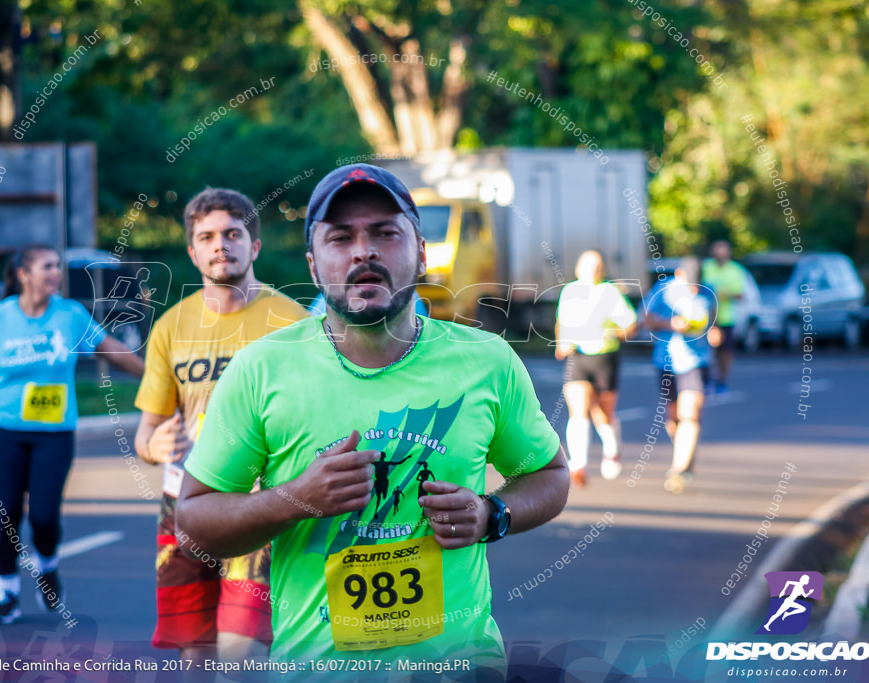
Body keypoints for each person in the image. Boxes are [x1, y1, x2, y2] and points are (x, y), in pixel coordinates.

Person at [176, 164, 569, 678]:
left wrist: (492, 514)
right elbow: (194, 522)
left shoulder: (486, 360)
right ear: (315, 266)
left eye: (386, 232)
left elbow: (550, 475)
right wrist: (295, 499)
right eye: (341, 238)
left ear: (422, 253)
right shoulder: (260, 369)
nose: (364, 251)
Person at [0, 245, 144, 623]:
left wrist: (154, 379)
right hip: (6, 432)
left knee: (45, 518)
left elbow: (111, 349)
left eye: (57, 266)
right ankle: (7, 592)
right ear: (24, 274)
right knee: (7, 515)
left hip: (54, 433)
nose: (56, 272)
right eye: (47, 266)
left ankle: (48, 567)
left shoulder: (69, 315)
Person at [133, 188, 307, 676]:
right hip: (183, 503)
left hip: (258, 504)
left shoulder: (293, 324)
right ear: (192, 252)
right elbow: (148, 429)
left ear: (254, 245)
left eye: (233, 234)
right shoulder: (170, 326)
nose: (220, 245)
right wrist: (153, 444)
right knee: (194, 651)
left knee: (240, 649)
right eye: (206, 237)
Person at [554, 250, 638, 486]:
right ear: (578, 268)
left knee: (603, 413)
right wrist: (561, 342)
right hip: (578, 356)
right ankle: (578, 463)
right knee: (578, 409)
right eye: (589, 265)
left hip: (604, 357)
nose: (593, 270)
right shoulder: (569, 291)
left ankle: (612, 449)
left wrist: (616, 332)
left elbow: (631, 325)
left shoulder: (609, 292)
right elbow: (561, 321)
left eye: (598, 266)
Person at [643, 257, 721, 494]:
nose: (694, 289)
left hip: (696, 362)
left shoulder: (709, 292)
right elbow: (645, 319)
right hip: (666, 362)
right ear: (679, 274)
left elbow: (714, 321)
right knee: (674, 418)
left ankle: (678, 468)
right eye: (690, 284)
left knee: (691, 413)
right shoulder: (663, 291)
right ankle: (685, 457)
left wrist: (714, 333)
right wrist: (670, 324)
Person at [702, 240, 748, 393]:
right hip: (707, 317)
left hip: (726, 317)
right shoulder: (707, 267)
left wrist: (725, 293)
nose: (719, 256)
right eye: (717, 253)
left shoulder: (735, 270)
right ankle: (707, 379)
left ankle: (722, 380)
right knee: (709, 349)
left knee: (726, 352)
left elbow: (740, 294)